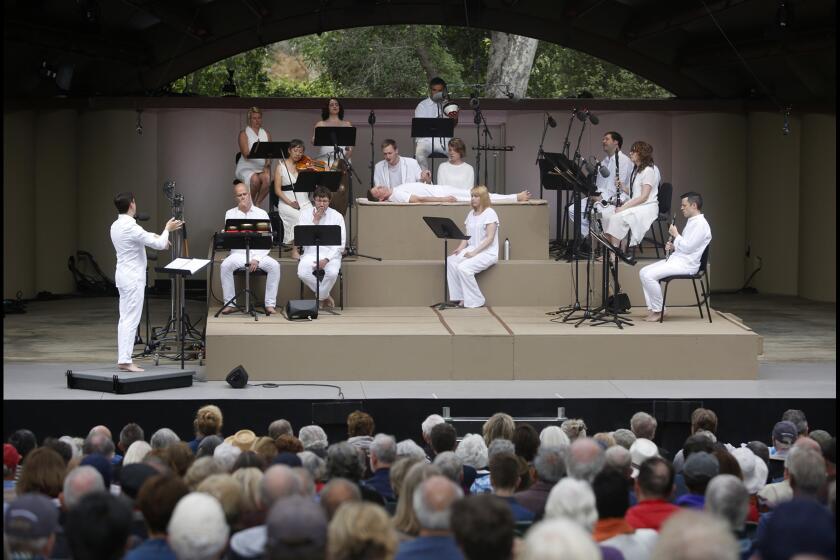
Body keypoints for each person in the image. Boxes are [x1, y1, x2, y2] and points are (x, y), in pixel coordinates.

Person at [110, 192, 182, 371]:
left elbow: (143, 237)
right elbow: (156, 245)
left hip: (123, 276)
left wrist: (157, 236)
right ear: (132, 204)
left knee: (125, 318)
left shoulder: (116, 225)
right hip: (133, 278)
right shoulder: (131, 227)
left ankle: (123, 358)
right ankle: (126, 360)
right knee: (131, 320)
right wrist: (167, 230)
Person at [638, 191, 711, 322]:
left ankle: (659, 310)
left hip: (687, 265)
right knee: (643, 272)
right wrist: (673, 247)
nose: (681, 208)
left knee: (649, 275)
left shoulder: (701, 224)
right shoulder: (693, 221)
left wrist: (676, 235)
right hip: (679, 260)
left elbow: (688, 248)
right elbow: (688, 246)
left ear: (694, 205)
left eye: (684, 205)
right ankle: (654, 308)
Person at [220, 181, 281, 315]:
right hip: (238, 254)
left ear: (249, 195)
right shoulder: (230, 214)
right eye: (239, 195)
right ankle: (230, 304)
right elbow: (230, 239)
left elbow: (268, 239)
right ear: (235, 198)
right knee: (225, 266)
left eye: (245, 194)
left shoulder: (262, 213)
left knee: (275, 266)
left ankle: (270, 304)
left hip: (259, 255)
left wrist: (257, 259)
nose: (242, 197)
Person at [568, 131, 634, 235]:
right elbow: (599, 185)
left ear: (616, 142)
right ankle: (589, 237)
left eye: (606, 139)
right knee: (572, 210)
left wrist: (602, 199)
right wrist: (594, 196)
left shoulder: (624, 161)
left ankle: (599, 239)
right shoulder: (604, 162)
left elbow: (619, 187)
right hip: (598, 197)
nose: (603, 141)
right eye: (603, 139)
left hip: (614, 201)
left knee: (595, 214)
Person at [445, 186, 500, 308]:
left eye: (476, 196)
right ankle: (460, 297)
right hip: (472, 248)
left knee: (464, 268)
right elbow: (467, 235)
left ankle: (476, 299)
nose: (473, 199)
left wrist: (474, 252)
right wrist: (460, 248)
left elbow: (490, 238)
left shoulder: (490, 213)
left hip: (487, 252)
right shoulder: (471, 214)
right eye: (472, 196)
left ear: (483, 198)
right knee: (451, 261)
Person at [599, 140, 660, 250]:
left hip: (647, 206)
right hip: (637, 204)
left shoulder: (648, 171)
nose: (630, 153)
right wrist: (622, 186)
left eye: (634, 151)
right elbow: (634, 193)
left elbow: (644, 197)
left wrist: (623, 207)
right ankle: (613, 250)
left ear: (642, 154)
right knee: (608, 216)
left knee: (616, 218)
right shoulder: (636, 171)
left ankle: (615, 252)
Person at [296, 186, 346, 309]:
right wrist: (316, 220)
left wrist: (326, 260)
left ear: (329, 201)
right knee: (302, 273)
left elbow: (341, 243)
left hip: (331, 254)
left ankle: (320, 296)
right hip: (310, 253)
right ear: (314, 200)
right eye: (319, 200)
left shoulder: (337, 216)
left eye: (325, 201)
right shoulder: (305, 214)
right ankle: (325, 295)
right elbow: (303, 238)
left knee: (333, 273)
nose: (321, 204)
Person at [274, 139, 314, 256]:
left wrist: (312, 170)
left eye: (301, 151)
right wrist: (290, 202)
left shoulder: (304, 166)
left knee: (313, 217)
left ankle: (309, 250)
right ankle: (295, 250)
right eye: (295, 150)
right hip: (287, 203)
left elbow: (311, 186)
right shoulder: (280, 167)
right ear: (289, 151)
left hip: (304, 202)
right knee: (300, 218)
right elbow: (277, 190)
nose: (298, 154)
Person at [415, 77, 456, 171]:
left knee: (454, 155)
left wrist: (454, 116)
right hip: (425, 141)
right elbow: (420, 127)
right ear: (430, 90)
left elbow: (452, 125)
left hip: (444, 141)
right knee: (419, 155)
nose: (437, 93)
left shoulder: (448, 105)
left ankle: (448, 182)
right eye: (434, 90)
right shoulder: (422, 106)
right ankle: (425, 180)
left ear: (443, 91)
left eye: (440, 90)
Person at [235, 106, 272, 206]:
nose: (257, 120)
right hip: (246, 167)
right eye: (254, 118)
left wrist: (267, 166)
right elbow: (246, 154)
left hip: (261, 168)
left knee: (267, 179)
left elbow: (269, 154)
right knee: (255, 180)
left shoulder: (266, 134)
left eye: (259, 118)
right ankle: (249, 203)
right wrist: (259, 150)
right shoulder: (243, 133)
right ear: (249, 119)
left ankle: (257, 203)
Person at [368, 183, 530, 204]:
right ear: (381, 198)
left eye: (377, 186)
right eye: (378, 190)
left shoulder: (395, 190)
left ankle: (515, 197)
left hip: (443, 189)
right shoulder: (396, 196)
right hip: (444, 194)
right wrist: (443, 199)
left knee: (477, 194)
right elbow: (419, 199)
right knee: (478, 197)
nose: (380, 186)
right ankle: (516, 197)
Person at [313, 97, 353, 165]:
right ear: (327, 108)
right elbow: (313, 141)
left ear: (339, 108)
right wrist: (315, 139)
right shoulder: (320, 124)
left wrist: (343, 162)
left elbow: (350, 147)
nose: (334, 106)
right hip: (324, 160)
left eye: (336, 104)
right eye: (331, 105)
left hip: (342, 160)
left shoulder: (347, 124)